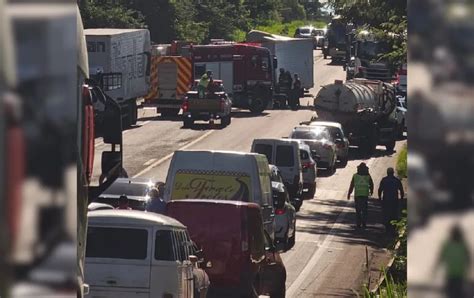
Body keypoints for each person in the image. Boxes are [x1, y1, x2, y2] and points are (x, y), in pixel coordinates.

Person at [435, 225, 471, 298]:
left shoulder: (451, 245)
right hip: (455, 275)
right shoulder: (461, 245)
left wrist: (436, 268)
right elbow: (468, 258)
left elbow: (441, 257)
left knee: (453, 294)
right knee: (454, 294)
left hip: (456, 275)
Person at [378, 167, 404, 234]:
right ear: (393, 173)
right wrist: (401, 198)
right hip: (394, 200)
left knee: (386, 213)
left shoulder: (384, 180)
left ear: (387, 173)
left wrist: (379, 197)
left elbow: (380, 189)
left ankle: (387, 228)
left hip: (386, 200)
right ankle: (393, 228)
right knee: (394, 213)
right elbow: (401, 190)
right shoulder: (397, 180)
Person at [347, 162, 374, 229]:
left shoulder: (355, 176)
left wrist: (349, 193)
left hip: (358, 195)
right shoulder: (368, 176)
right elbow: (371, 184)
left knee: (358, 210)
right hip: (364, 195)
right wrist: (371, 191)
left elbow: (352, 185)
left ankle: (358, 223)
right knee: (364, 210)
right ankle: (364, 223)